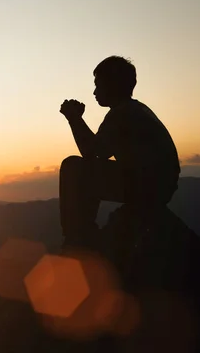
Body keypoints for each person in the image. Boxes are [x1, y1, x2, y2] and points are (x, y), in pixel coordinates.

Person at [59, 56, 180, 249]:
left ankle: (79, 234)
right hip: (157, 187)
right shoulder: (134, 110)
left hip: (146, 187)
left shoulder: (123, 113)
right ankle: (81, 232)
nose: (94, 92)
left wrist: (74, 119)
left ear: (113, 85)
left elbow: (93, 153)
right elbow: (100, 150)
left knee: (73, 168)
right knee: (80, 168)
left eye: (99, 85)